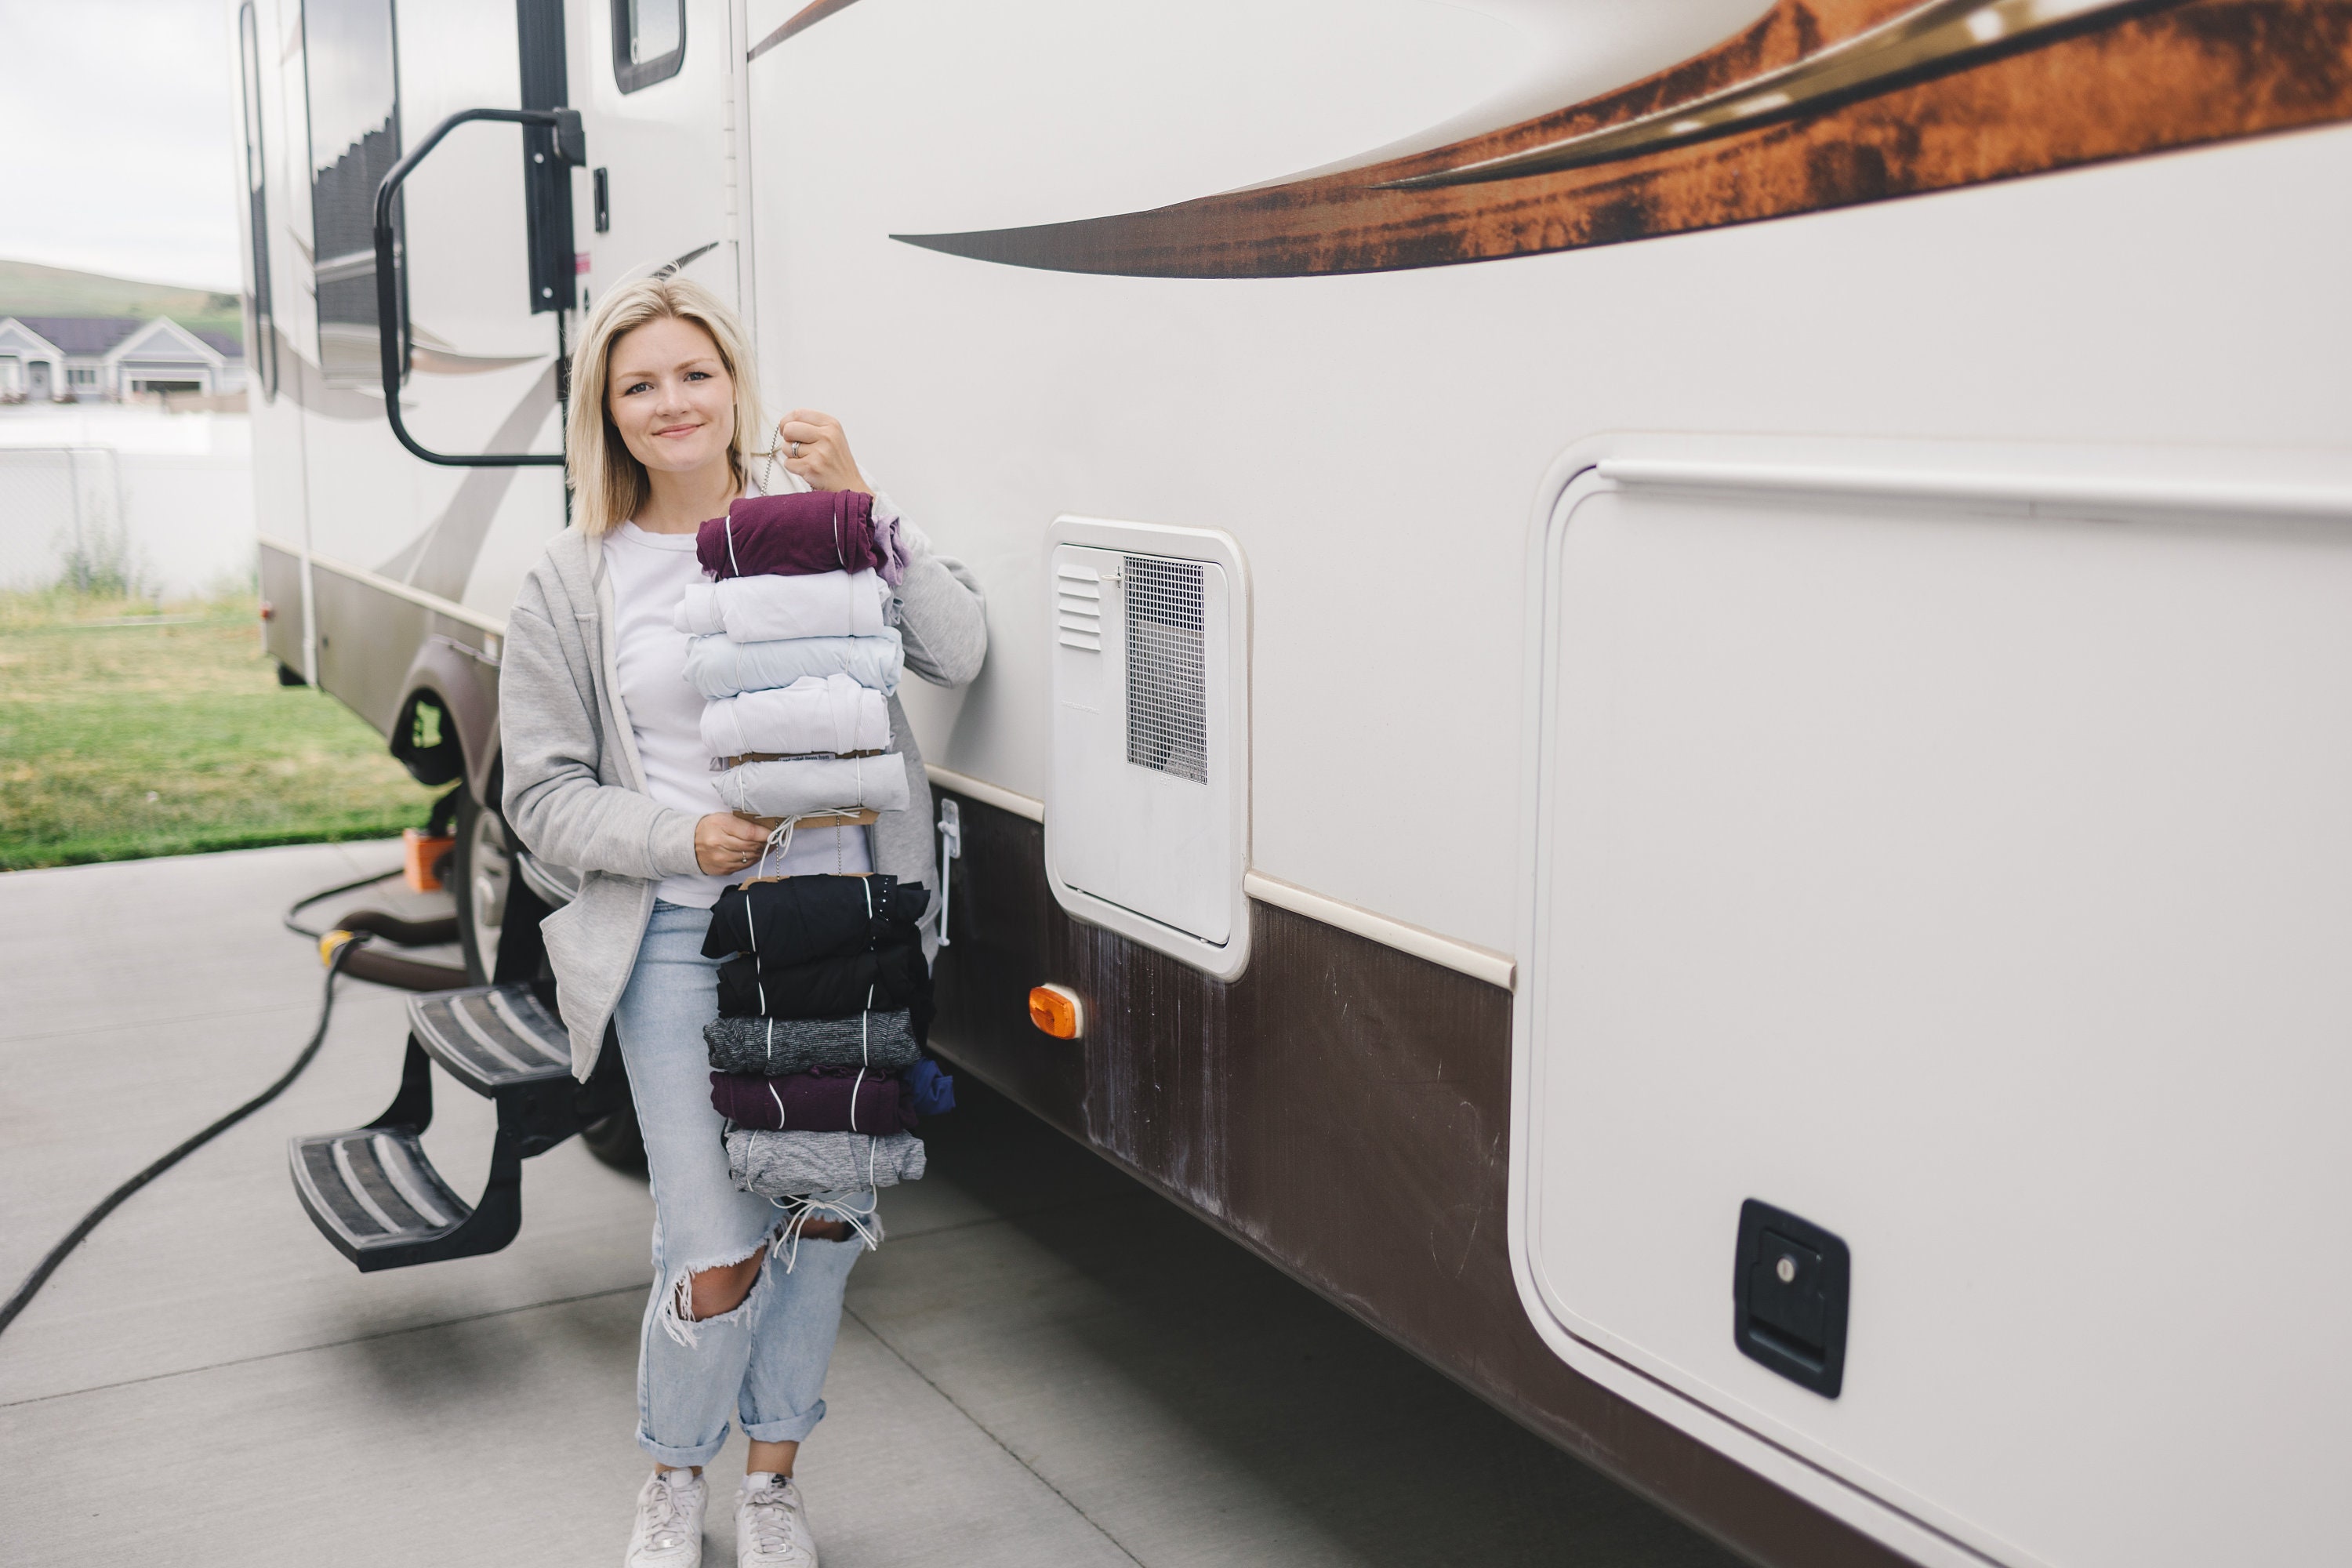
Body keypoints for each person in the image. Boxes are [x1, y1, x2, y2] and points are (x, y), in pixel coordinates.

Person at [499, 274, 986, 1567]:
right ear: (606, 412)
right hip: (673, 935)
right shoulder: (571, 578)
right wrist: (681, 837)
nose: (673, 404)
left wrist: (871, 504)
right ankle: (673, 1475)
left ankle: (772, 1482)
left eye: (694, 375)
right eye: (639, 384)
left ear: (734, 387)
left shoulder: (816, 526)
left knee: (823, 1215)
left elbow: (961, 648)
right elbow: (539, 794)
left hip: (835, 925)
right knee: (714, 1243)